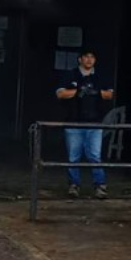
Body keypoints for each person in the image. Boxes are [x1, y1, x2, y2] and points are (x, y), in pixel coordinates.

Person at [56, 49, 113, 198]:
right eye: (86, 57)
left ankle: (100, 186)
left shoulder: (100, 76)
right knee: (73, 157)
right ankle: (74, 185)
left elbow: (110, 94)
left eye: (92, 57)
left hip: (95, 123)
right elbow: (60, 93)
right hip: (73, 122)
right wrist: (78, 91)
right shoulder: (71, 75)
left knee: (95, 156)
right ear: (80, 59)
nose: (89, 60)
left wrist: (96, 92)